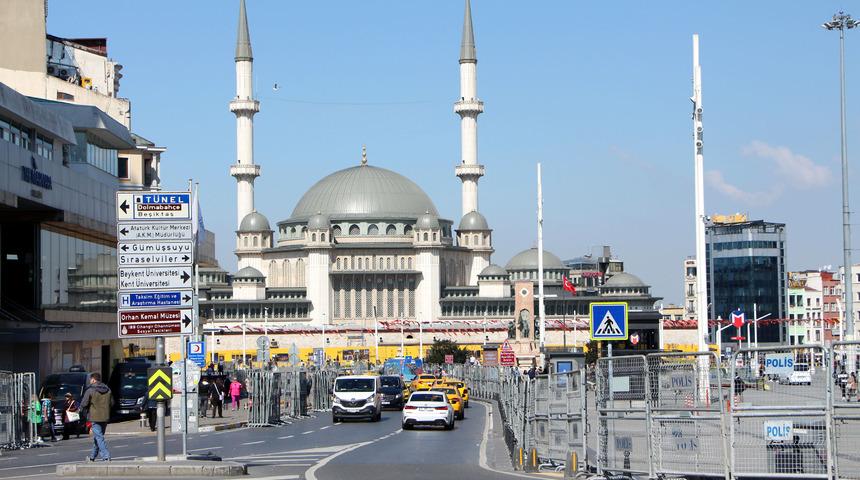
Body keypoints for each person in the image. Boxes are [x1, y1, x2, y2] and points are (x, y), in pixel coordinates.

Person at [80, 372, 113, 462]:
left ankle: (106, 456)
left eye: (90, 379)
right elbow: (112, 403)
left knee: (99, 437)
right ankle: (92, 457)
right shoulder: (108, 390)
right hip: (105, 416)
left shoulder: (90, 390)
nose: (90, 381)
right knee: (98, 437)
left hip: (94, 416)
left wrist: (82, 411)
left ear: (93, 380)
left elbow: (84, 403)